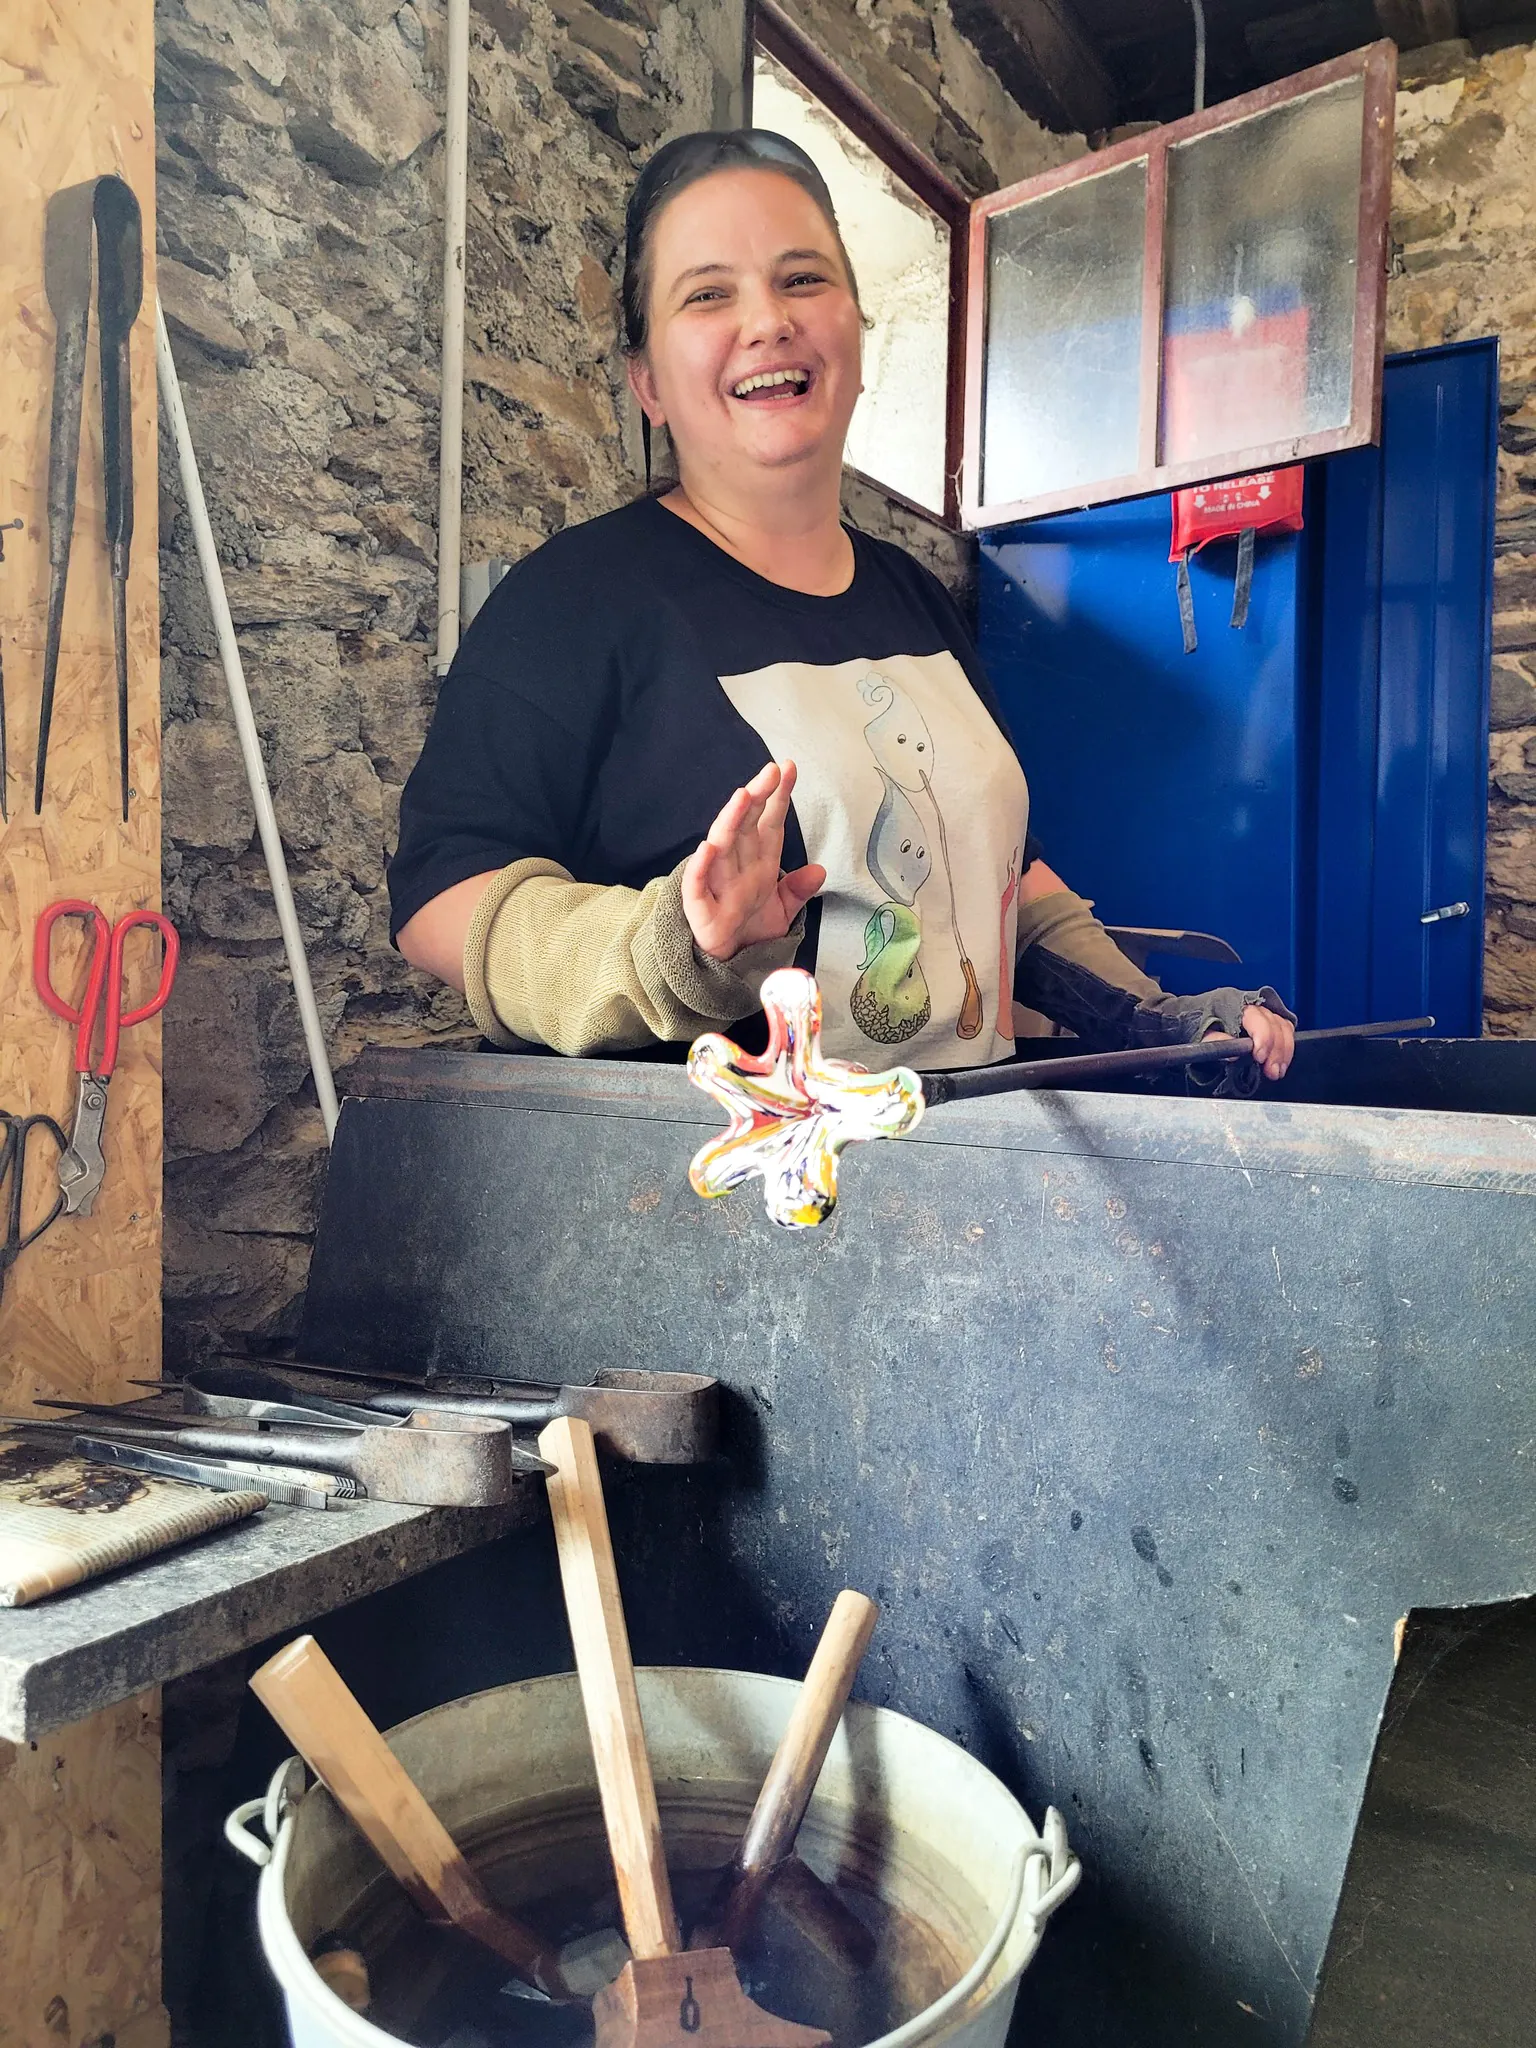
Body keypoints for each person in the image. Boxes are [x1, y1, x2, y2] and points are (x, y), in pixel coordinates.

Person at [390, 130, 1296, 1081]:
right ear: (647, 381)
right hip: (710, 1194)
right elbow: (440, 902)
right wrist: (668, 947)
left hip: (970, 1179)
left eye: (803, 280)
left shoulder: (915, 600)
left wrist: (1153, 1013)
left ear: (859, 339)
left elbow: (1006, 891)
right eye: (708, 294)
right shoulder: (575, 601)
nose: (768, 320)